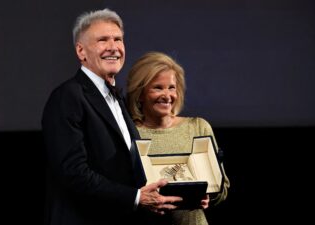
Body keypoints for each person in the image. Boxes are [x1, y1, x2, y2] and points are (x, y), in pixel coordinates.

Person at [41, 9, 182, 225]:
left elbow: (129, 168)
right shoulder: (67, 96)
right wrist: (136, 197)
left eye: (118, 39)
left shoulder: (118, 100)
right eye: (102, 40)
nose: (113, 47)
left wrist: (186, 192)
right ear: (81, 51)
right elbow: (74, 173)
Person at [126, 51, 230, 225]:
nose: (167, 95)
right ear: (140, 93)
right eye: (158, 87)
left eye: (171, 87)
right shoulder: (129, 133)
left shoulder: (198, 127)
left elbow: (222, 189)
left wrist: (209, 197)